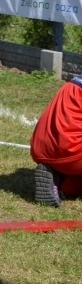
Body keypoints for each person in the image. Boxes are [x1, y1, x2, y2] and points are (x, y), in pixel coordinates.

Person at [30, 76, 82, 207]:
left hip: (41, 146)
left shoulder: (74, 82)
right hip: (70, 152)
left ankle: (59, 179)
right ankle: (64, 180)